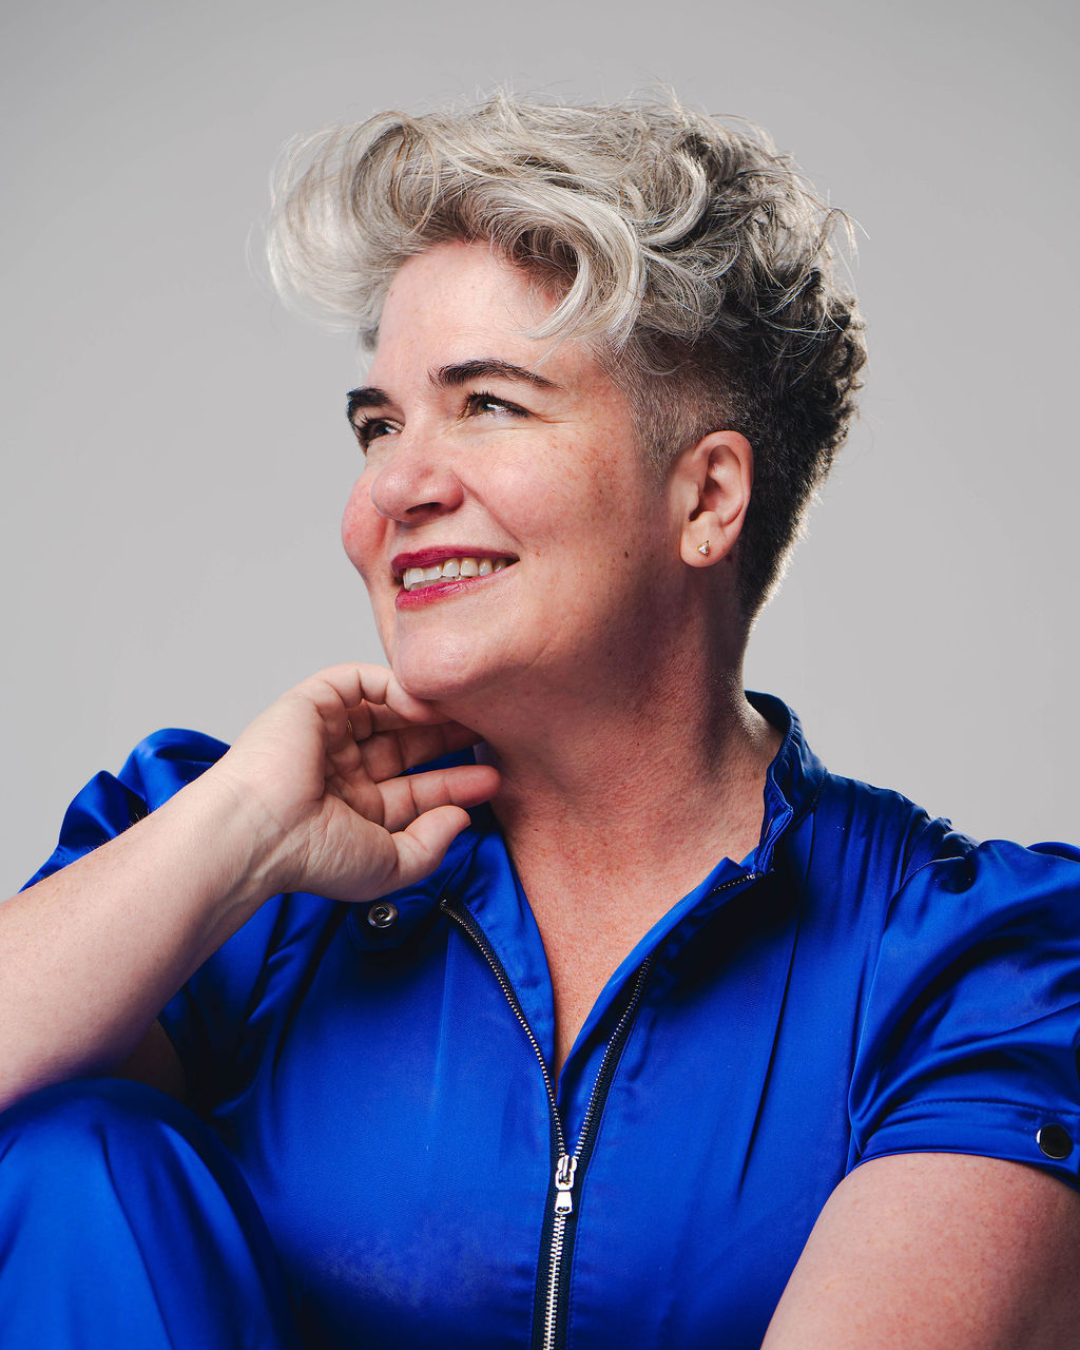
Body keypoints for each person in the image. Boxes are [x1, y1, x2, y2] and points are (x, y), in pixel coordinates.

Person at [2, 92, 1080, 1350]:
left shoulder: (975, 965)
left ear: (707, 498)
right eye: (379, 426)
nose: (395, 487)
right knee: (67, 1148)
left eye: (489, 405)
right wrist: (235, 830)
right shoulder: (244, 878)